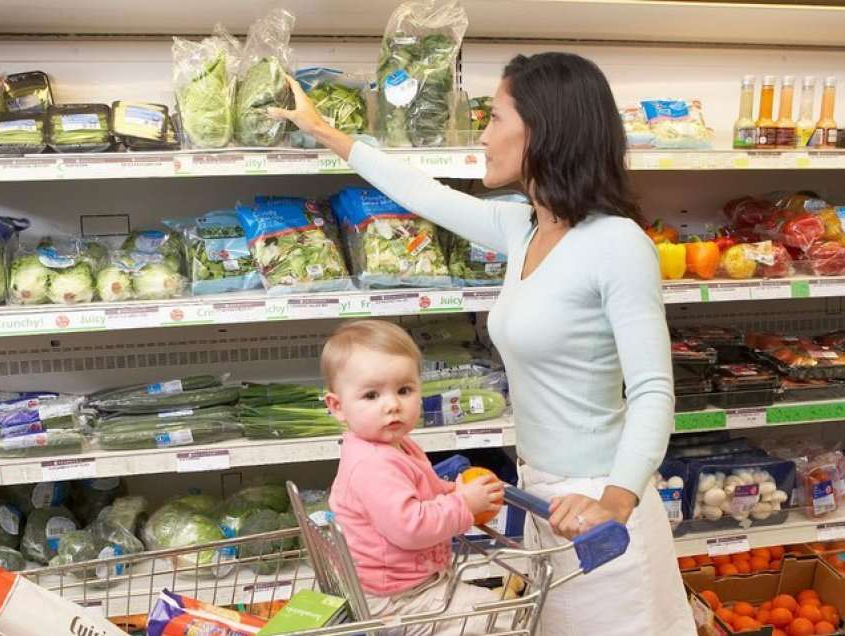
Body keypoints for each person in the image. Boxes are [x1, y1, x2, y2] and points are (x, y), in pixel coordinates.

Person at [272, 51, 696, 635]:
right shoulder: (525, 227)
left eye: (495, 118)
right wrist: (322, 131)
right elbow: (423, 193)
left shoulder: (618, 244)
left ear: (542, 129)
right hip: (544, 491)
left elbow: (652, 390)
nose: (484, 133)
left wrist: (616, 503)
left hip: (598, 505)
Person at [322, 319, 505, 635]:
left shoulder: (397, 446)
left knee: (491, 608)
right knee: (500, 618)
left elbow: (419, 490)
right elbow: (409, 527)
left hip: (409, 584)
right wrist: (463, 504)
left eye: (404, 390)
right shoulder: (373, 464)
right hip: (396, 601)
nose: (392, 405)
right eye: (371, 396)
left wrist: (451, 491)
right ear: (337, 407)